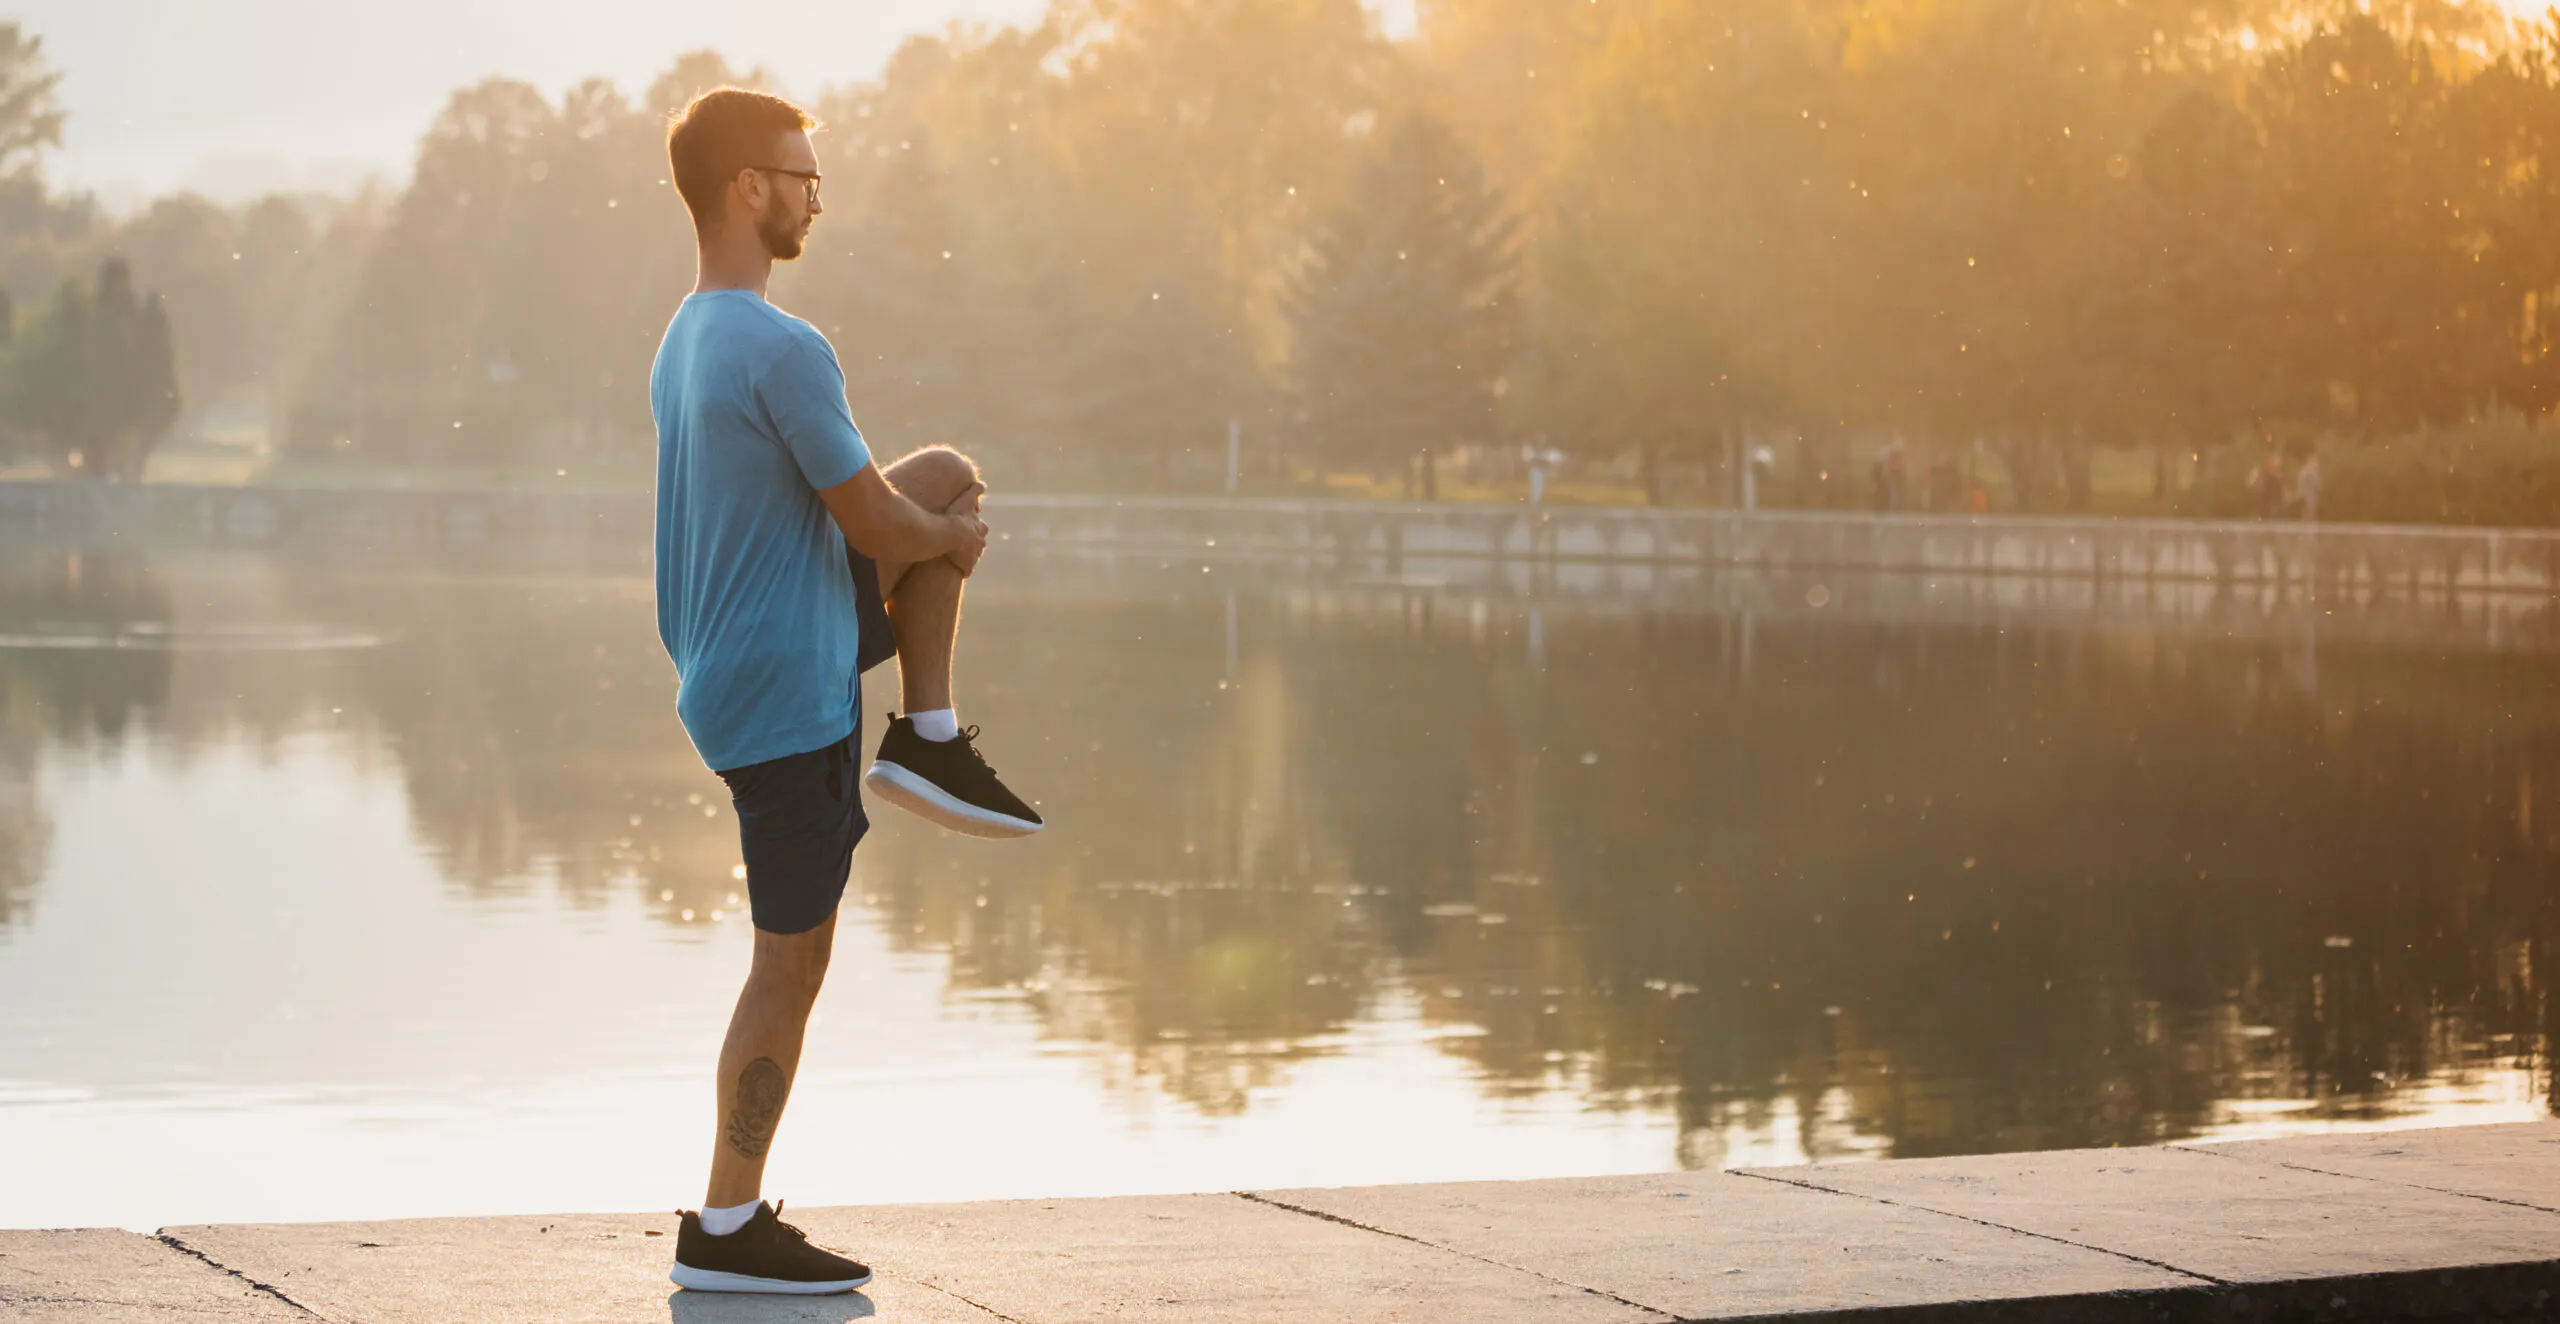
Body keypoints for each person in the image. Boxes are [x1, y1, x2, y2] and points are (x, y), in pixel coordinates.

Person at [650, 87, 1044, 1296]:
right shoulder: (782, 345)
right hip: (787, 691)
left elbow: (875, 501)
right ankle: (725, 1227)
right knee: (791, 963)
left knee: (945, 475)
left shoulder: (690, 334)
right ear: (742, 188)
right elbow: (870, 516)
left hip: (732, 664)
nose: (814, 193)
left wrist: (930, 519)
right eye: (798, 174)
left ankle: (924, 732)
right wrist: (952, 546)